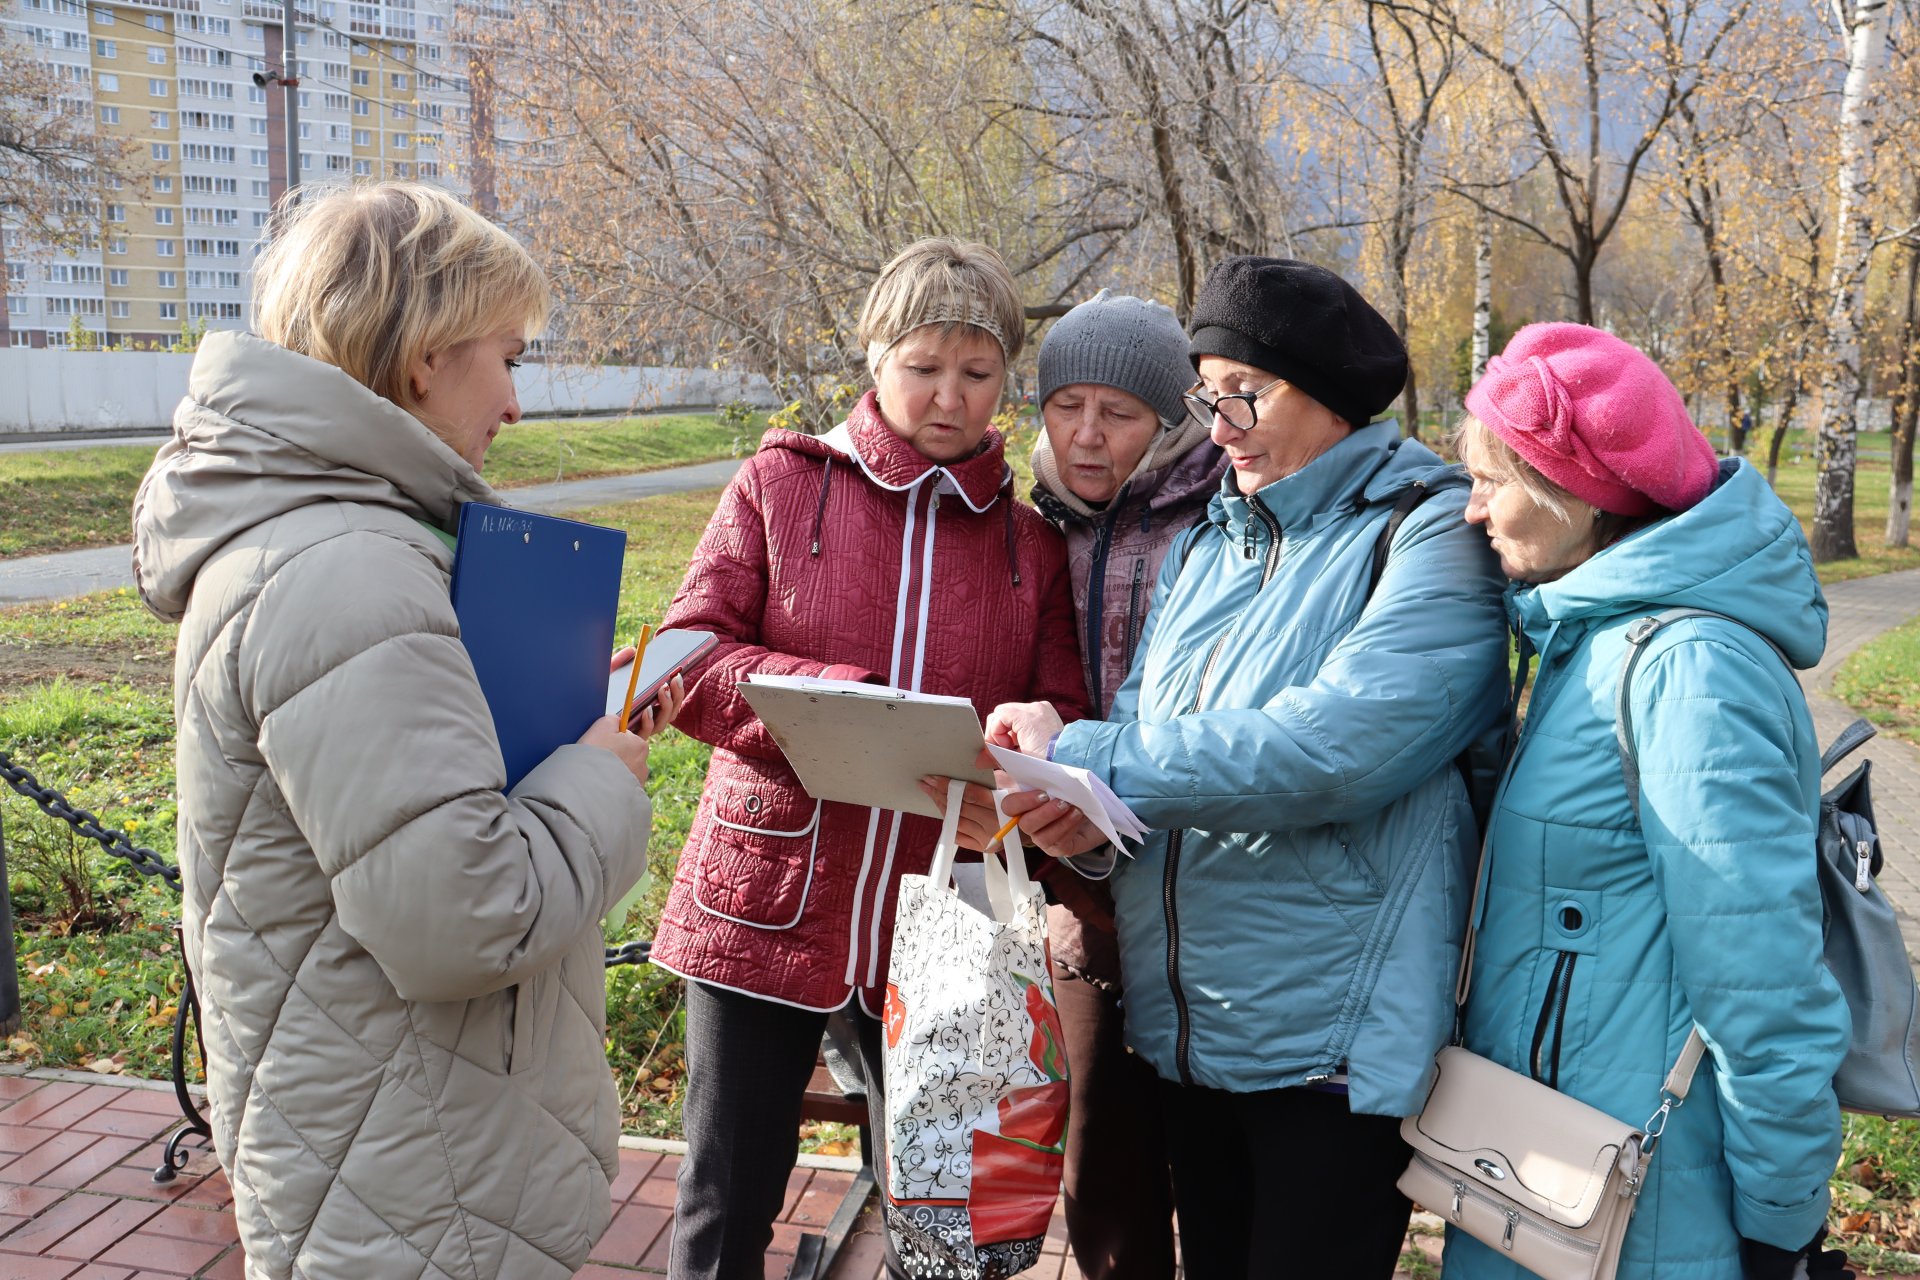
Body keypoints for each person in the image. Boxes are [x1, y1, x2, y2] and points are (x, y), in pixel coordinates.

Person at [130, 182, 675, 1280]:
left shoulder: (337, 544)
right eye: (510, 355)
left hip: (399, 1145)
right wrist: (603, 774)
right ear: (426, 355)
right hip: (416, 1176)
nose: (516, 401)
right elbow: (461, 917)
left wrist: (543, 712)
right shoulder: (348, 572)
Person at [977, 256, 1512, 1279]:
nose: (1216, 427)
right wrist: (1081, 815)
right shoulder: (1216, 543)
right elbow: (1146, 728)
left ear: (1334, 400)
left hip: (1331, 1045)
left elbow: (1335, 747)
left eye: (1242, 395)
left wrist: (1089, 751)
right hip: (1193, 1030)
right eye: (1203, 395)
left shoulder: (1426, 531)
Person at [648, 237, 1090, 1280]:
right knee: (724, 1202)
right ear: (874, 357)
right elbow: (688, 652)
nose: (949, 395)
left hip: (940, 911)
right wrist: (832, 707)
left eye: (977, 372)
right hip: (765, 891)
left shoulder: (1032, 546)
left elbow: (1062, 708)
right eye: (923, 364)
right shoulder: (781, 485)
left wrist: (1023, 769)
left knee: (946, 1221)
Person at [1442, 323, 1852, 1280]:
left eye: (1491, 481)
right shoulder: (1585, 639)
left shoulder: (1689, 670)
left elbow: (1764, 988)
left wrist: (1779, 1225)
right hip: (1537, 1181)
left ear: (1575, 496)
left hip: (1648, 1212)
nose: (1472, 511)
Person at [1025, 289, 1223, 1280]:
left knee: (1215, 1167)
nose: (1088, 436)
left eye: (1121, 413)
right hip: (1080, 885)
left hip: (1210, 882)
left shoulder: (1225, 516)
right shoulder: (1028, 522)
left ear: (1172, 422)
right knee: (1102, 1160)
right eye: (1067, 406)